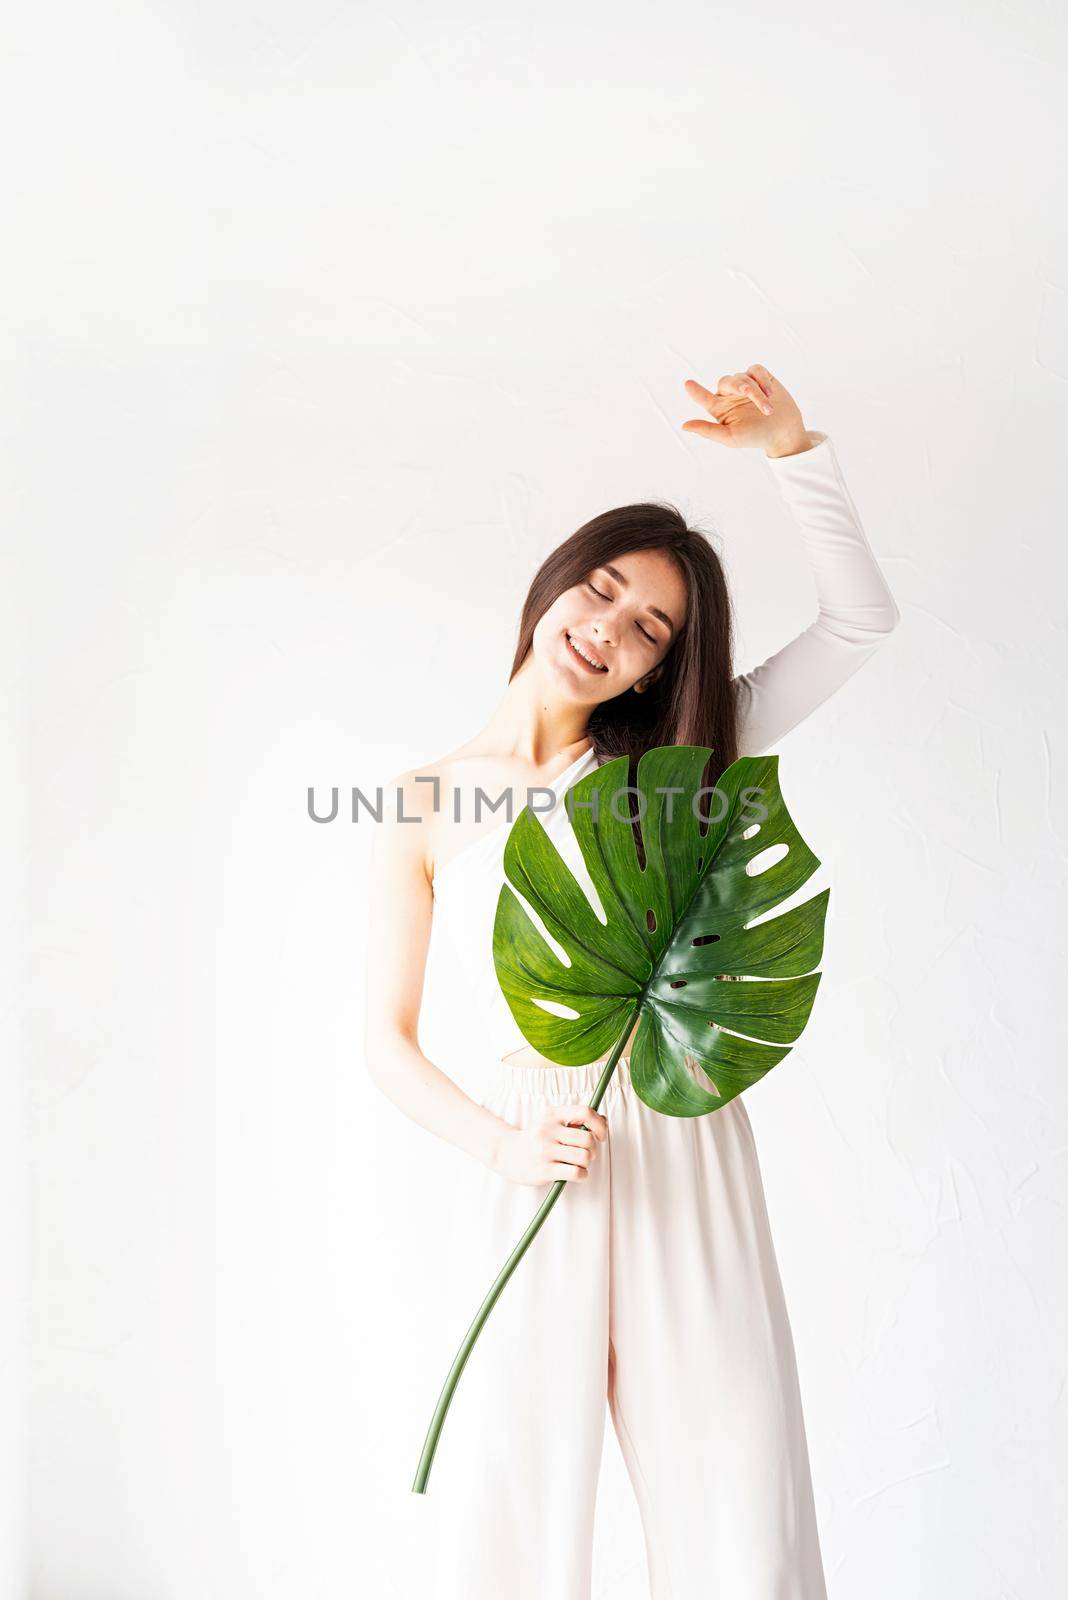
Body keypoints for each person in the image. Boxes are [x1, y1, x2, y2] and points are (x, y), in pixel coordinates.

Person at [364, 365, 901, 1600]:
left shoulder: (678, 760)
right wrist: (501, 1148)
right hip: (535, 1143)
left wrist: (793, 451)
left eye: (650, 626)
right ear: (555, 582)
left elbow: (862, 622)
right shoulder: (423, 802)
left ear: (662, 668)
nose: (609, 624)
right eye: (602, 587)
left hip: (677, 1128)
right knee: (514, 1509)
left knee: (737, 1497)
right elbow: (383, 1041)